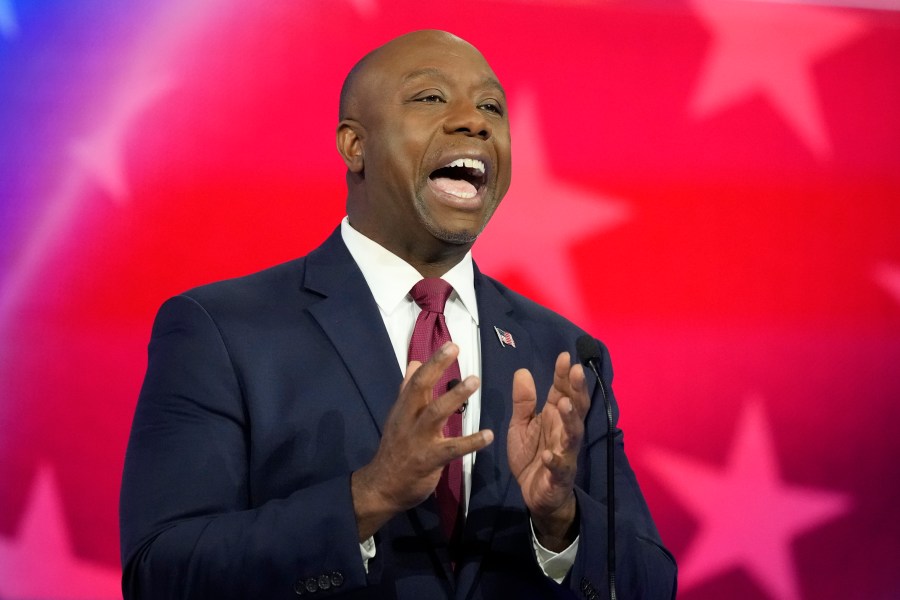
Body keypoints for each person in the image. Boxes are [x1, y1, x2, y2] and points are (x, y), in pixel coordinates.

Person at [119, 30, 676, 599]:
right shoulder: (222, 331)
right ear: (354, 146)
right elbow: (160, 574)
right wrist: (371, 495)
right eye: (431, 97)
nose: (475, 123)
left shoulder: (564, 353)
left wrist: (561, 521)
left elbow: (648, 586)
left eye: (491, 107)